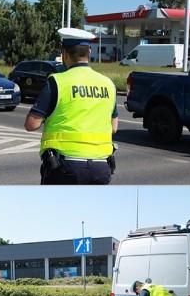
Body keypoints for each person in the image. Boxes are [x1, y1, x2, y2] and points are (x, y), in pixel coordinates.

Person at [24, 27, 119, 184]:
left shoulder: (57, 81)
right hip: (101, 167)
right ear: (89, 53)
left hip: (65, 166)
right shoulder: (108, 83)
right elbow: (113, 127)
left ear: (65, 54)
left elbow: (31, 124)